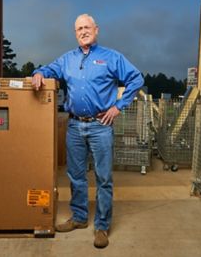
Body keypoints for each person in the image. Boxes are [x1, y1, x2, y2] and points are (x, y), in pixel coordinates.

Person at [31, 14, 144, 249]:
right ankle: (80, 217)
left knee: (103, 178)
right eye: (79, 28)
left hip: (100, 126)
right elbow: (49, 68)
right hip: (74, 125)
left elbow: (136, 78)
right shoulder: (68, 59)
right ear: (75, 33)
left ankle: (102, 226)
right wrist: (38, 73)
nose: (83, 31)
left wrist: (118, 107)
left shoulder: (111, 57)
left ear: (96, 30)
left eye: (87, 27)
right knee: (76, 176)